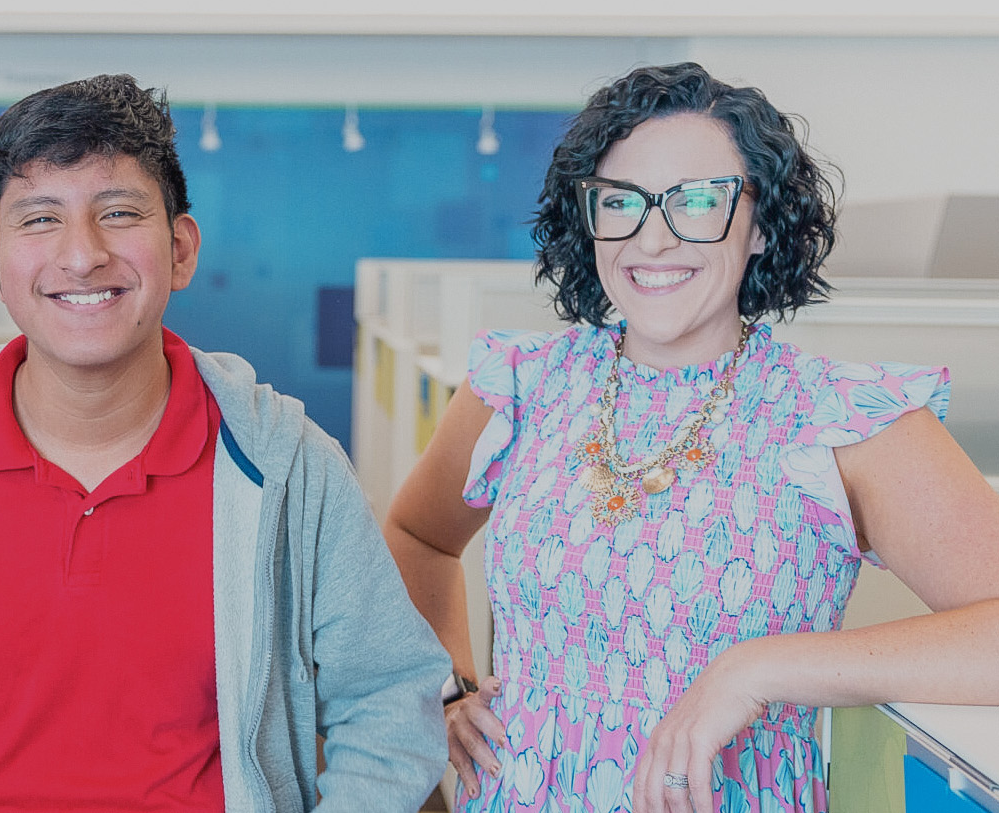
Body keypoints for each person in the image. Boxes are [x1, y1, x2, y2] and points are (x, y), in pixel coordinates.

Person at [0, 74, 450, 812]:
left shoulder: (290, 468)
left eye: (117, 212)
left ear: (180, 249)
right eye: (40, 219)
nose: (82, 255)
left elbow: (386, 703)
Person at [383, 61, 999, 812]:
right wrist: (447, 688)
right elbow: (418, 535)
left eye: (699, 201)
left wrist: (762, 670)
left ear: (763, 222)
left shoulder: (841, 419)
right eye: (622, 202)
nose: (654, 238)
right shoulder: (519, 387)